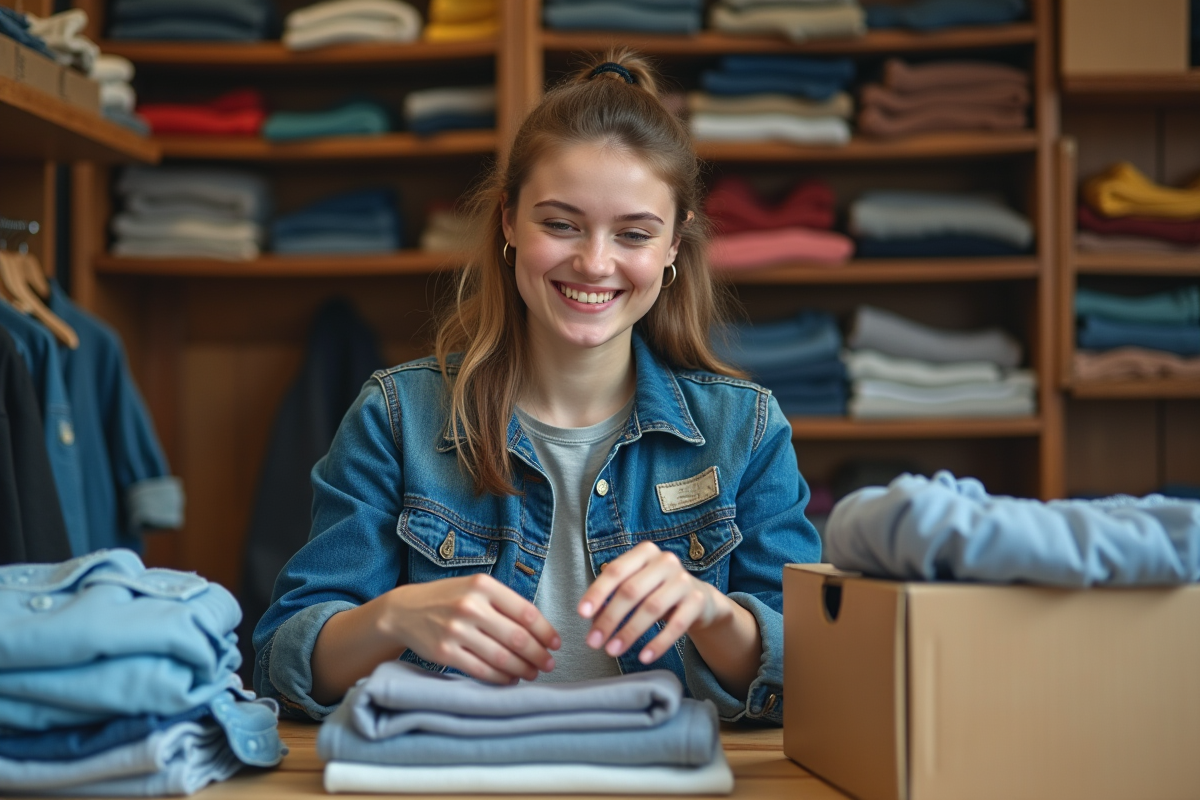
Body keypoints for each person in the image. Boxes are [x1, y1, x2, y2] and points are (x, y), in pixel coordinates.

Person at [253, 49, 821, 726]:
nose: (595, 263)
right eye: (560, 224)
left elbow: (815, 670)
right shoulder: (396, 418)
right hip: (455, 770)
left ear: (674, 243)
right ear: (508, 221)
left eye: (634, 234)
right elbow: (281, 661)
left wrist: (712, 613)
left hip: (670, 769)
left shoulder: (746, 432)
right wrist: (392, 617)